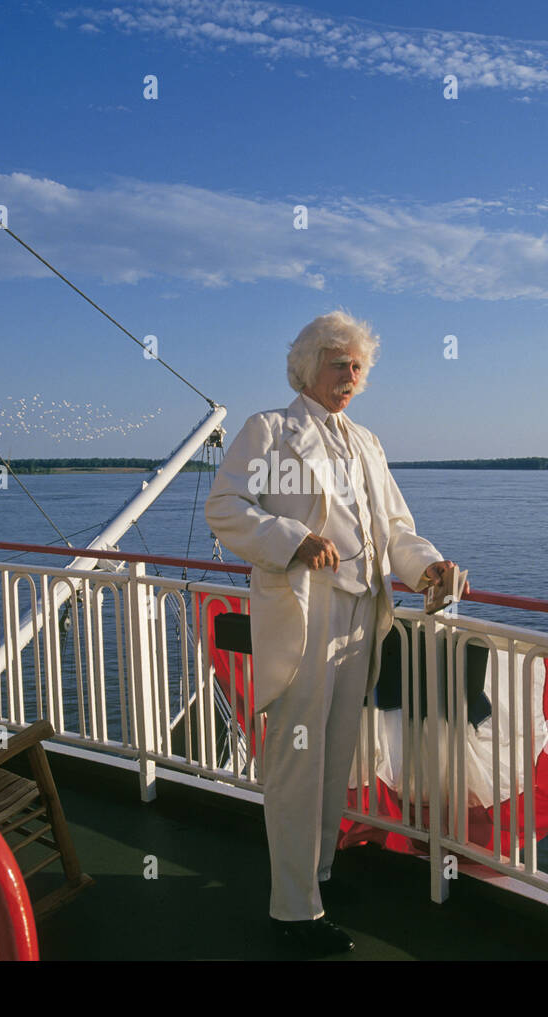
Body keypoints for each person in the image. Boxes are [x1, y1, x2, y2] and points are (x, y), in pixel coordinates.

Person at [205, 310, 456, 956]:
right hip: (306, 614)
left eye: (358, 367)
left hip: (360, 619)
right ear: (308, 366)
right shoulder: (270, 431)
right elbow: (225, 508)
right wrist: (290, 540)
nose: (350, 376)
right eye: (338, 363)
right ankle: (291, 914)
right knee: (296, 763)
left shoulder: (368, 443)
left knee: (334, 758)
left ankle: (314, 879)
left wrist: (426, 567)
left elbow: (395, 529)